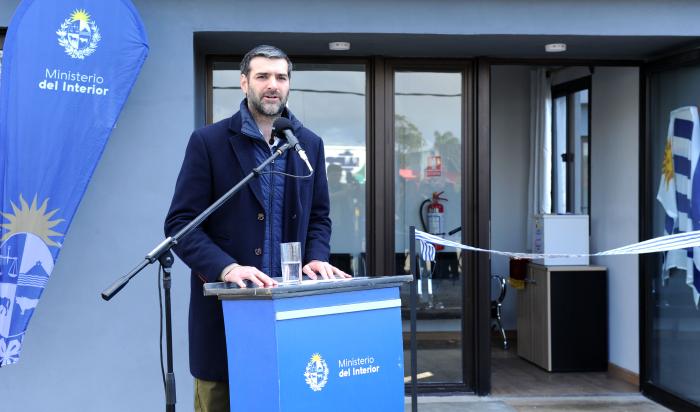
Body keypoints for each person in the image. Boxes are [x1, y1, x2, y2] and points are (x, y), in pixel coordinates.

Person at [164, 45, 349, 412]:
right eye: (263, 76)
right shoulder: (209, 142)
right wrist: (227, 268)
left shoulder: (307, 144)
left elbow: (319, 217)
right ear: (244, 82)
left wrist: (315, 256)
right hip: (226, 319)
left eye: (281, 77)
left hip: (289, 320)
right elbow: (181, 224)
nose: (273, 85)